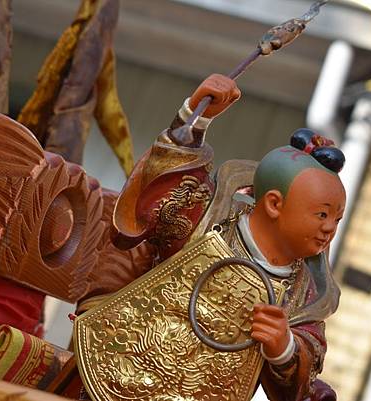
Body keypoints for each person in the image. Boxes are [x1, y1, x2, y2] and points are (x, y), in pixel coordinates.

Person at [101, 74, 346, 401]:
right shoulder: (207, 221)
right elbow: (159, 191)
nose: (330, 228)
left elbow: (307, 361)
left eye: (337, 219)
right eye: (321, 214)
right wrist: (196, 115)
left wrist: (283, 346)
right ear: (274, 203)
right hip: (125, 365)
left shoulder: (305, 294)